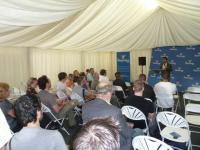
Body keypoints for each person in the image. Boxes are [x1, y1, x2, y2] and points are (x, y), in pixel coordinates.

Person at [82, 81, 143, 150]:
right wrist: (129, 127)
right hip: (112, 144)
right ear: (108, 93)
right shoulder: (115, 111)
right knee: (138, 131)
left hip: (93, 142)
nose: (112, 94)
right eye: (111, 93)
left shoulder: (85, 106)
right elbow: (126, 133)